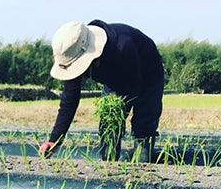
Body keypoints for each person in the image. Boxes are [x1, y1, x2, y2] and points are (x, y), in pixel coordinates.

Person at [39, 20, 164, 162]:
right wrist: (55, 140)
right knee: (109, 127)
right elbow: (69, 100)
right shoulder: (73, 51)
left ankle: (142, 166)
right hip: (115, 77)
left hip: (147, 70)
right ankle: (108, 168)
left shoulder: (123, 46)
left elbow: (133, 88)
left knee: (144, 123)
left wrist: (119, 115)